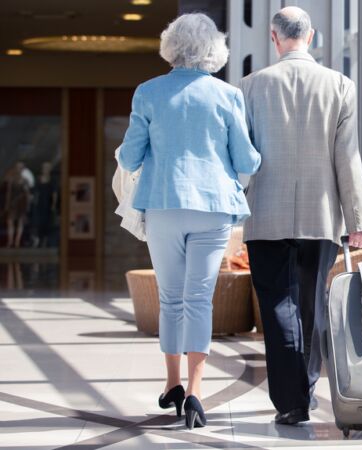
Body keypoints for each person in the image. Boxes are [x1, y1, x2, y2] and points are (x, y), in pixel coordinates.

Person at [118, 13, 261, 429]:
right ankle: (197, 393)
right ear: (214, 48)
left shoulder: (148, 93)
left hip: (163, 203)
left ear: (170, 46)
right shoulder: (227, 95)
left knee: (171, 298)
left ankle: (172, 384)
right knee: (199, 298)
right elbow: (246, 159)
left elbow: (128, 157)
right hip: (213, 206)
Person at [240, 6, 362, 425]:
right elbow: (347, 159)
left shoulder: (250, 86)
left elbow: (241, 158)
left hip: (265, 215)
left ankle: (290, 401)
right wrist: (358, 221)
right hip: (320, 217)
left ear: (274, 39)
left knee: (278, 305)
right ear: (311, 37)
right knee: (312, 306)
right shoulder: (340, 85)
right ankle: (307, 388)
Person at [2, 166, 31, 248]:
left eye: (20, 168)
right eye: (18, 168)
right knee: (10, 221)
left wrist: (27, 205)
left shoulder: (25, 181)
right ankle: (10, 240)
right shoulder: (11, 180)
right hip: (12, 203)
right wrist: (7, 205)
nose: (19, 170)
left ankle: (17, 241)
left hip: (21, 204)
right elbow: (9, 193)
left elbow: (27, 194)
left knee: (20, 222)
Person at [31, 162, 56, 248]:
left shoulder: (52, 180)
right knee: (38, 221)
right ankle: (37, 239)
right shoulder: (38, 179)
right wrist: (34, 202)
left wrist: (53, 204)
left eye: (47, 168)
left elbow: (54, 193)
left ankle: (44, 241)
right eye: (44, 167)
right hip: (39, 203)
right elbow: (35, 192)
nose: (45, 169)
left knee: (47, 222)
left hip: (47, 204)